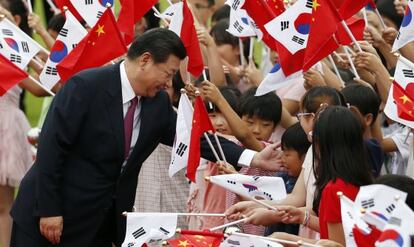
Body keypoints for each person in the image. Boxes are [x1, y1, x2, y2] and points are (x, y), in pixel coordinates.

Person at [10, 28, 281, 247]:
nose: (168, 83)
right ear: (145, 60)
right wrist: (49, 210)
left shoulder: (157, 105)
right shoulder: (86, 87)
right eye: (169, 73)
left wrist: (252, 156)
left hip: (99, 224)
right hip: (51, 218)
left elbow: (196, 140)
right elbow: (51, 150)